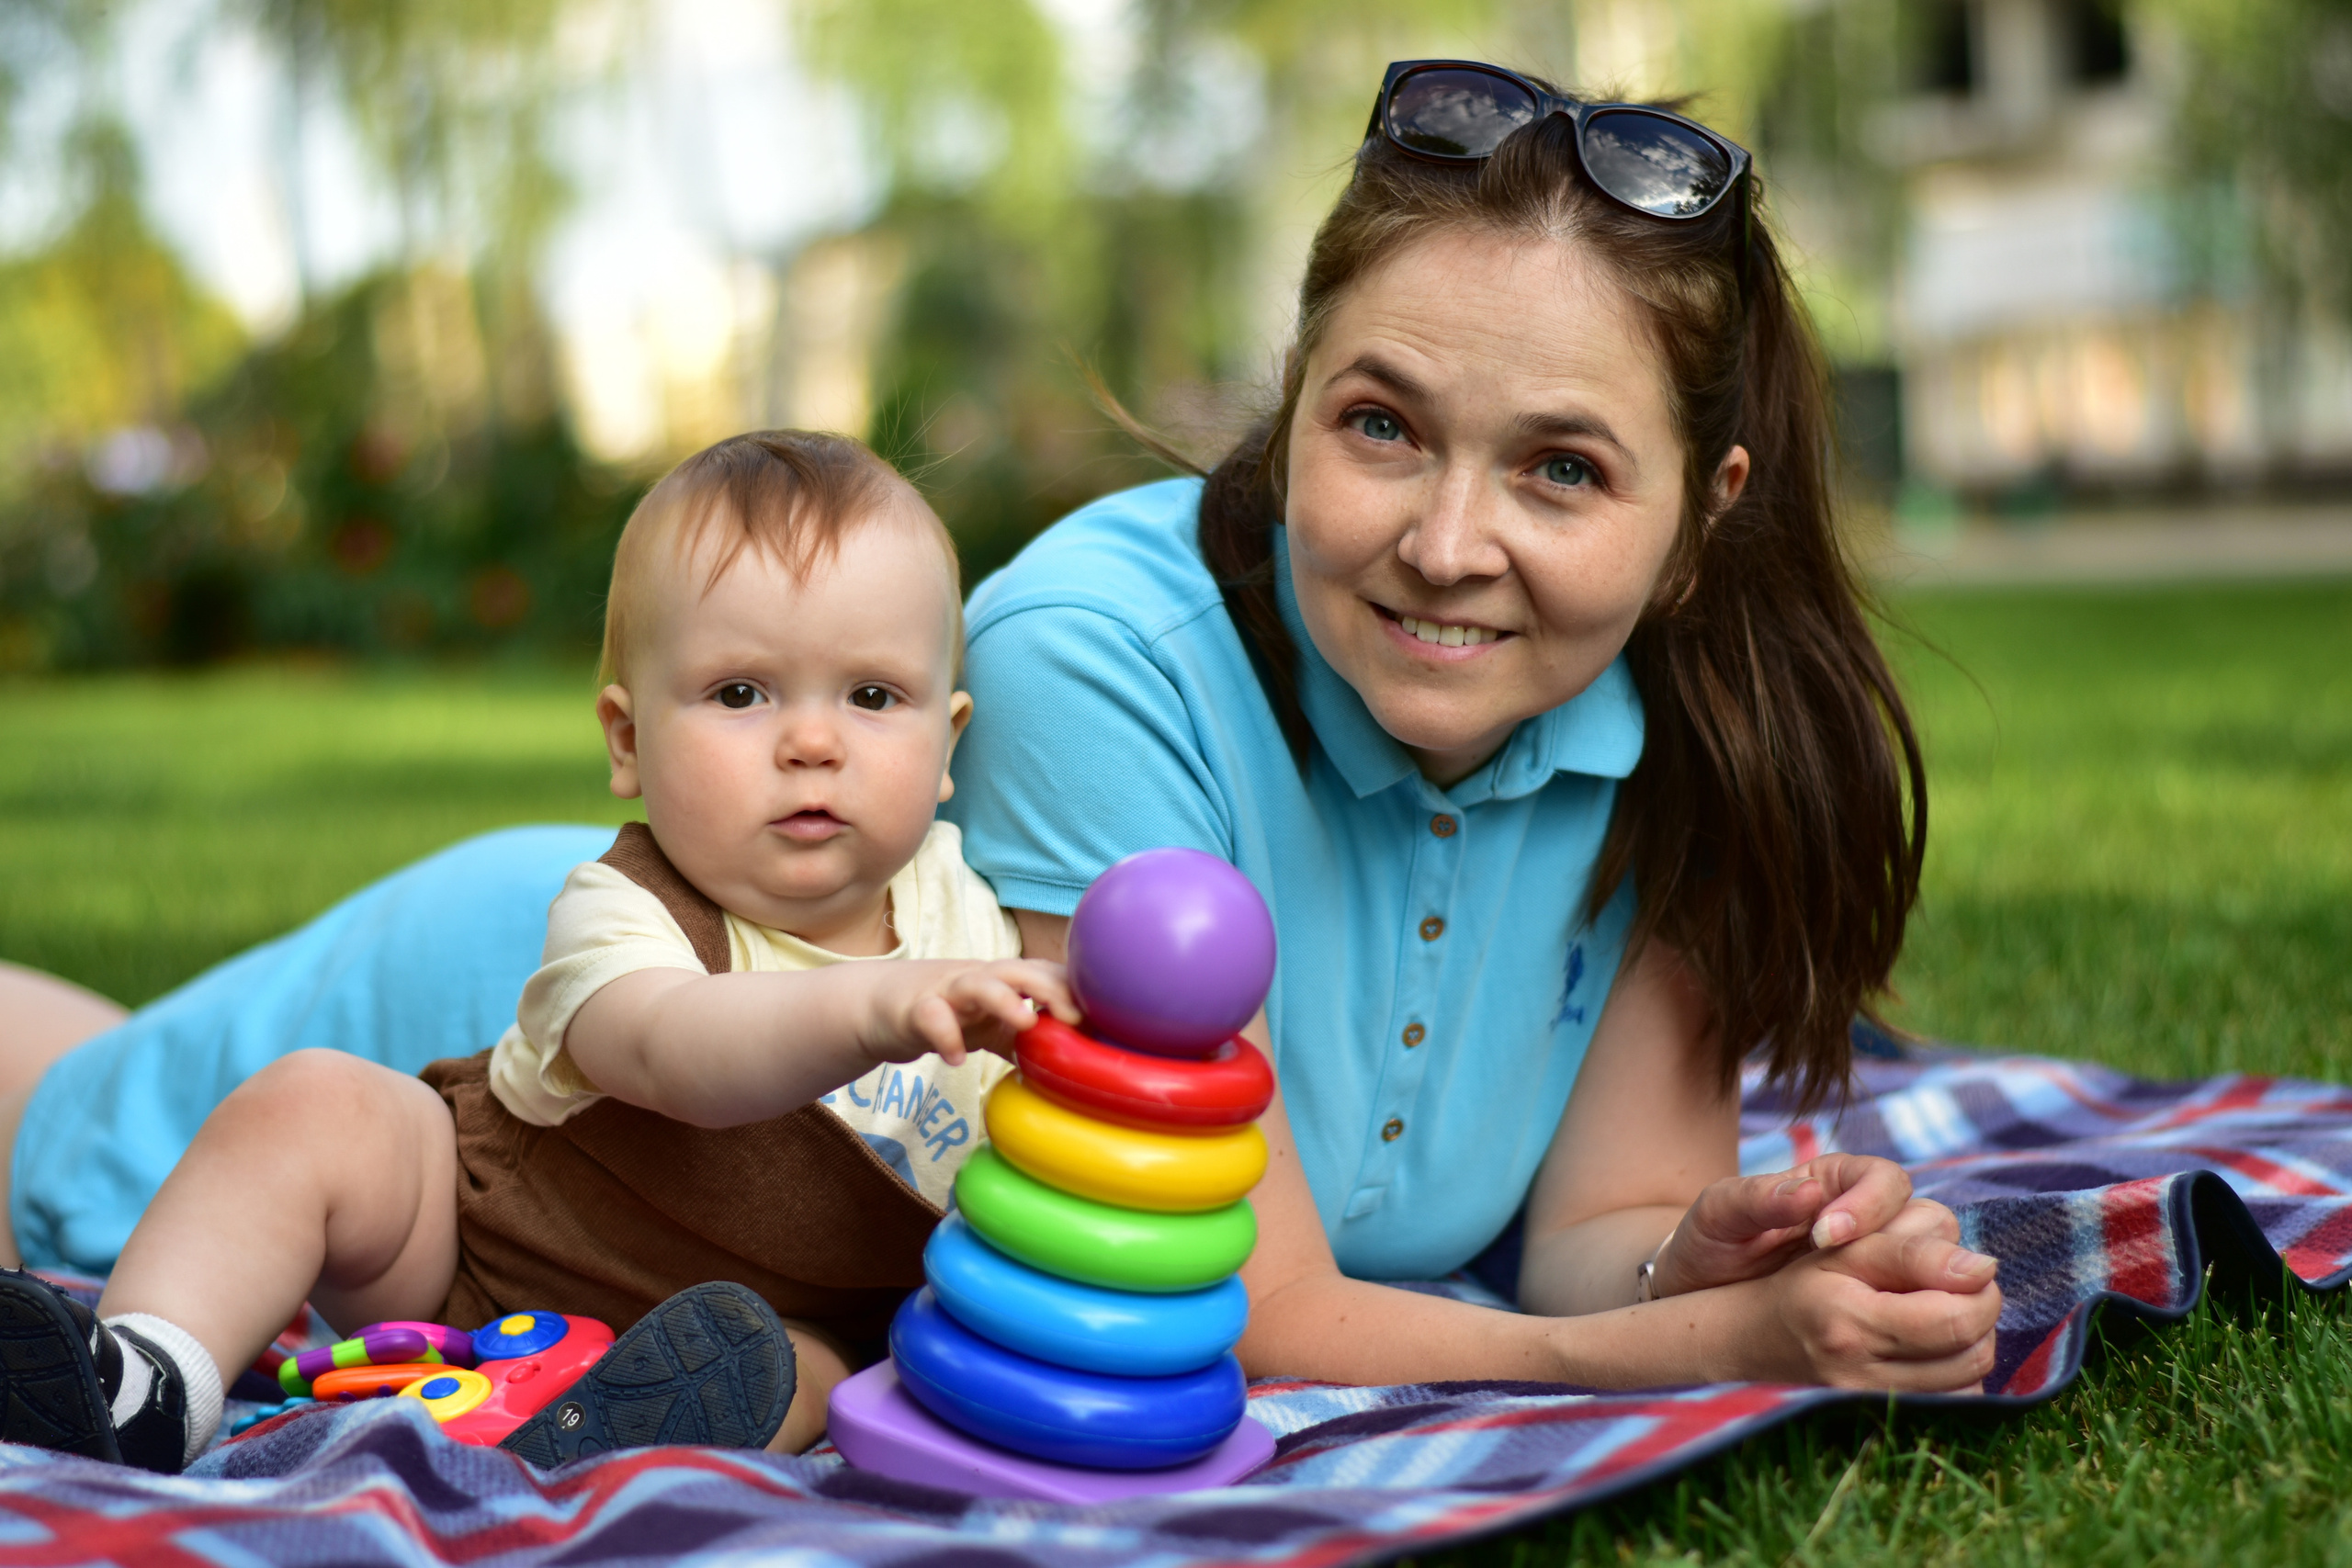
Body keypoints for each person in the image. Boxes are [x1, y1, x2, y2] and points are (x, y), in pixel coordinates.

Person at [0, 62, 1997, 1419]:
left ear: (1702, 513)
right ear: (1290, 399)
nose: (1448, 541)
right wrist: (1719, 1349)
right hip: (556, 1038)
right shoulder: (1096, 662)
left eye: (1561, 468)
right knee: (74, 1134)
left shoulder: (1687, 742)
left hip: (750, 1202)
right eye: (1381, 424)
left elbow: (1583, 1241)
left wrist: (1694, 1264)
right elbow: (1241, 1311)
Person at [0, 431, 1074, 1472]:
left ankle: (616, 1433)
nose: (812, 742)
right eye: (740, 693)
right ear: (628, 740)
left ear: (948, 742)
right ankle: (148, 1380)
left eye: (873, 696)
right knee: (315, 1107)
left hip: (755, 1327)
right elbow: (671, 1048)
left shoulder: (979, 933)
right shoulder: (622, 905)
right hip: (480, 1254)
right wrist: (875, 1006)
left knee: (809, 1367)